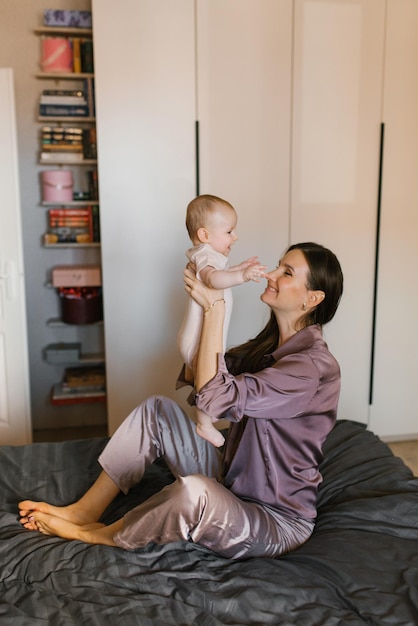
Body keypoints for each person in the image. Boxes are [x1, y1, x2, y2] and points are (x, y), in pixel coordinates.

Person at [19, 242, 343, 560]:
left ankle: (95, 534)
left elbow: (215, 399)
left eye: (286, 272)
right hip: (232, 481)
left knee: (193, 493)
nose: (271, 274)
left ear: (312, 298)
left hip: (275, 520)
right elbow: (198, 372)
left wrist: (216, 310)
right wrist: (202, 305)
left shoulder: (309, 369)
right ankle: (84, 510)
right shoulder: (270, 349)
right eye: (278, 265)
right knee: (157, 410)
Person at [177, 194, 266, 447]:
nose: (235, 237)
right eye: (229, 231)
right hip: (196, 339)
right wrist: (243, 277)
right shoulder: (205, 255)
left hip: (195, 337)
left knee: (209, 377)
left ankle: (208, 417)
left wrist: (237, 267)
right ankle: (204, 424)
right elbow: (213, 280)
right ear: (204, 235)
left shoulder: (208, 255)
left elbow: (218, 273)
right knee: (211, 376)